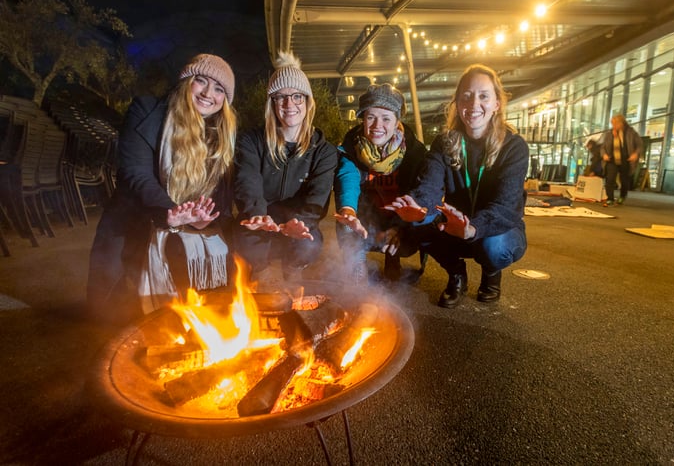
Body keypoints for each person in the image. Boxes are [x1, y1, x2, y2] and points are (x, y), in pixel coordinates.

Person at [87, 53, 238, 321]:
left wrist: (205, 221)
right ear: (185, 82)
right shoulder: (147, 112)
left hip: (186, 227)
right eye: (200, 81)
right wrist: (168, 211)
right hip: (136, 221)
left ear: (224, 101)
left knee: (207, 309)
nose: (207, 93)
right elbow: (135, 174)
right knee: (112, 316)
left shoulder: (219, 135)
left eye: (218, 89)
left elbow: (222, 200)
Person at [386, 63, 528, 308]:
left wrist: (473, 228)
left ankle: (491, 274)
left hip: (492, 230)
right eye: (467, 96)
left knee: (494, 247)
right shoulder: (444, 142)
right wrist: (418, 208)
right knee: (420, 223)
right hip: (453, 226)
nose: (474, 104)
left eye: (483, 96)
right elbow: (429, 186)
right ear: (457, 104)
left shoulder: (514, 147)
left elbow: (507, 207)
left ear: (497, 104)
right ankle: (456, 274)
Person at [233, 52, 337, 281]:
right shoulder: (251, 141)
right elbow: (247, 182)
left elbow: (317, 198)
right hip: (263, 220)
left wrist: (300, 223)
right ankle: (259, 277)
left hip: (296, 222)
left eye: (297, 96)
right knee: (248, 240)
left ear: (308, 102)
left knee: (308, 244)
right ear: (272, 103)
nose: (289, 104)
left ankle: (293, 275)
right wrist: (258, 217)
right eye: (281, 97)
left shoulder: (324, 150)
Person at [333, 84, 426, 282]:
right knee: (345, 222)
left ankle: (393, 257)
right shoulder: (352, 147)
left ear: (397, 121)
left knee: (423, 226)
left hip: (399, 220)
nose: (377, 126)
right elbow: (347, 177)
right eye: (370, 117)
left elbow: (420, 191)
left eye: (386, 118)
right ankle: (357, 263)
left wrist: (401, 226)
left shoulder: (414, 153)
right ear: (363, 119)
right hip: (369, 220)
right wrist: (348, 211)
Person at [601, 114, 642, 206]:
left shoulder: (631, 133)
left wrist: (635, 154)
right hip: (612, 159)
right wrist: (604, 155)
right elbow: (603, 147)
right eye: (612, 124)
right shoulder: (609, 134)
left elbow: (639, 145)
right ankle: (610, 198)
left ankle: (622, 196)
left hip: (625, 159)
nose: (614, 126)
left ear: (622, 123)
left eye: (616, 123)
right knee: (610, 179)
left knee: (624, 180)